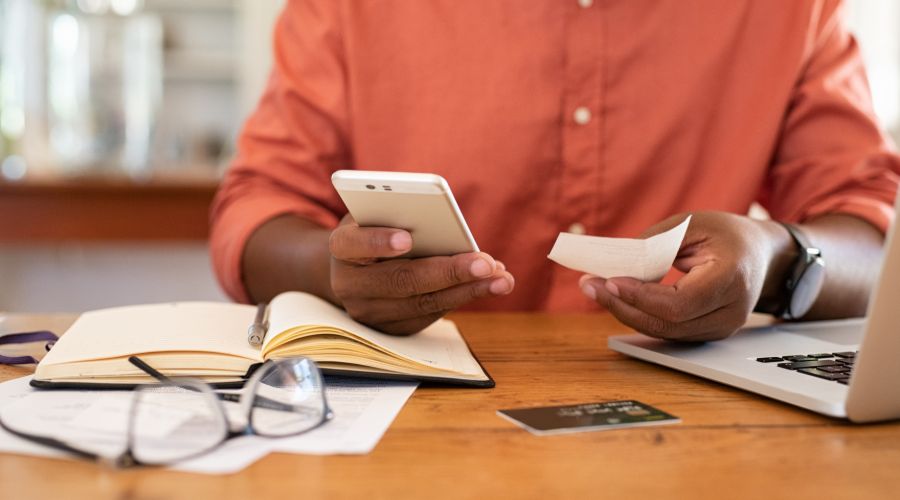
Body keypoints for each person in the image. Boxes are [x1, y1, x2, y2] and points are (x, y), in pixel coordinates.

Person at [211, 0, 900, 341]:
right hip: (410, 421)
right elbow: (255, 208)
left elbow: (874, 233)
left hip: (697, 423)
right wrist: (332, 271)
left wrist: (775, 263)